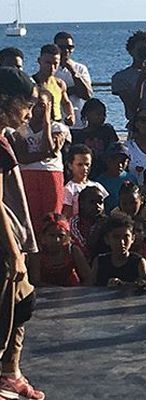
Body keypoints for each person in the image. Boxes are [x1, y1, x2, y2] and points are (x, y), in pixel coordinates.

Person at [0, 67, 45, 400]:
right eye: (25, 104)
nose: (29, 112)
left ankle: (8, 373)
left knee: (22, 302)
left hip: (14, 234)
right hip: (4, 243)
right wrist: (14, 251)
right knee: (4, 310)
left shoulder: (5, 136)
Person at [11, 89, 69, 232]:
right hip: (27, 174)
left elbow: (49, 147)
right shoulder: (20, 128)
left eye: (42, 105)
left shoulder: (58, 128)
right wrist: (47, 154)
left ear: (50, 105)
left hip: (51, 173)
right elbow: (22, 158)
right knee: (31, 215)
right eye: (34, 105)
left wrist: (46, 124)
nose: (38, 109)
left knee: (53, 216)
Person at [28, 213, 92, 287]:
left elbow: (88, 278)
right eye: (52, 235)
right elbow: (35, 282)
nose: (57, 240)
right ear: (43, 237)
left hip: (72, 292)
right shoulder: (37, 253)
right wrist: (58, 290)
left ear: (67, 237)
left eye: (61, 236)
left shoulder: (73, 251)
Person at [92, 214, 146, 287]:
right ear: (107, 239)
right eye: (116, 237)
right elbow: (90, 287)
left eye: (126, 237)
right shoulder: (99, 262)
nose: (122, 242)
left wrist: (123, 285)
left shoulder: (138, 262)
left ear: (132, 239)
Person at [53, 32, 93, 131]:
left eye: (69, 47)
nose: (66, 50)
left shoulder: (80, 69)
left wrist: (73, 71)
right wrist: (72, 90)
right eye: (61, 47)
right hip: (56, 124)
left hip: (78, 123)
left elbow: (87, 95)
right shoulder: (50, 69)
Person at [73, 98, 119, 178]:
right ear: (87, 114)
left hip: (105, 169)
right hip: (88, 170)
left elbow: (115, 147)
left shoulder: (107, 130)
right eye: (98, 114)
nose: (102, 117)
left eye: (104, 114)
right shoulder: (79, 135)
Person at [33, 44, 75, 126]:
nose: (52, 67)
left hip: (57, 124)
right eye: (48, 63)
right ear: (39, 61)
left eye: (55, 63)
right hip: (39, 125)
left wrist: (71, 115)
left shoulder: (59, 84)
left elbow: (66, 102)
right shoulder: (32, 83)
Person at [63, 144, 109, 218]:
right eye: (80, 164)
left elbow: (103, 210)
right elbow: (66, 215)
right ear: (70, 165)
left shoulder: (97, 186)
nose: (84, 168)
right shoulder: (69, 189)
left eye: (87, 164)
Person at [96, 142, 138, 212]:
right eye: (115, 160)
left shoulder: (131, 178)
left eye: (123, 161)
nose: (119, 165)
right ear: (107, 160)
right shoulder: (100, 182)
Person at [69, 186, 107, 262]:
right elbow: (85, 249)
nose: (97, 206)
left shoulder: (107, 221)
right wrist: (97, 229)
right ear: (82, 204)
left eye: (100, 202)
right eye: (92, 202)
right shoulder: (74, 223)